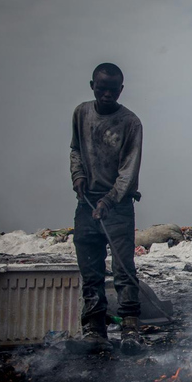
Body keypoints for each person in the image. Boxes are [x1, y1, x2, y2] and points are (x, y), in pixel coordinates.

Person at [69, 63, 144, 354]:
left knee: (124, 269)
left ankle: (130, 326)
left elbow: (129, 169)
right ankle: (94, 328)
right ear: (92, 86)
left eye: (113, 90)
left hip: (119, 205)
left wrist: (110, 200)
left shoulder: (130, 123)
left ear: (121, 90)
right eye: (102, 89)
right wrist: (77, 176)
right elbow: (75, 149)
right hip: (85, 204)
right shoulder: (81, 113)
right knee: (91, 269)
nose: (107, 94)